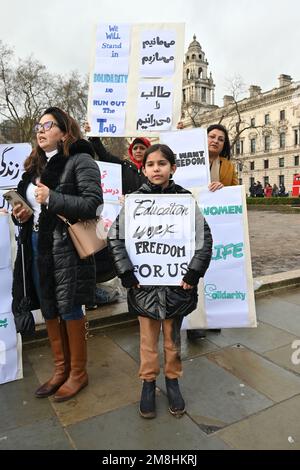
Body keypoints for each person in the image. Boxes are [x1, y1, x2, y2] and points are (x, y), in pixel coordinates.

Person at [107, 144, 212, 419]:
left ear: (173, 168)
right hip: (145, 287)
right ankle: (148, 382)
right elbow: (115, 237)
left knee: (173, 340)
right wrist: (126, 273)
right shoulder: (134, 202)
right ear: (144, 169)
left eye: (162, 163)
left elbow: (204, 238)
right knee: (147, 340)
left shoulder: (186, 200)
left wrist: (193, 273)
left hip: (177, 287)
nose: (156, 168)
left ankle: (173, 380)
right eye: (151, 164)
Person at [12, 107, 103, 402]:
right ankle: (60, 369)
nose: (40, 129)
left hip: (66, 246)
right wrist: (21, 214)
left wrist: (52, 197)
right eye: (38, 125)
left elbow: (92, 204)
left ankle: (78, 373)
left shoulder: (80, 160)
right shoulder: (33, 168)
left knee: (69, 306)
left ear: (64, 132)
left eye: (48, 125)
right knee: (49, 305)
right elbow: (30, 211)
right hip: (37, 245)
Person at [83, 123, 151, 308]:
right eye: (135, 147)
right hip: (124, 221)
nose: (138, 150)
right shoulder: (123, 166)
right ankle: (132, 294)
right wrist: (94, 135)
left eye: (142, 148)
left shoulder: (153, 171)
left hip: (147, 224)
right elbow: (103, 154)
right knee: (126, 259)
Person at [187, 123, 238, 340]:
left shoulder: (227, 166)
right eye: (212, 136)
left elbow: (237, 193)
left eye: (221, 139)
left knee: (214, 270)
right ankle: (193, 322)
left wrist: (223, 190)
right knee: (193, 270)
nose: (215, 141)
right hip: (191, 223)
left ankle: (212, 318)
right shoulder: (188, 159)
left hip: (217, 224)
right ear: (203, 138)